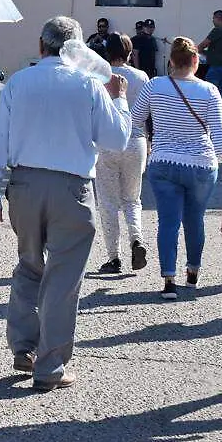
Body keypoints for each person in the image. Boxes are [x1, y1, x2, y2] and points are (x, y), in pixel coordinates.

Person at [0, 17, 131, 391]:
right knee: (63, 278)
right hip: (72, 188)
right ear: (77, 48)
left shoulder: (18, 82)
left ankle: (23, 345)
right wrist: (120, 98)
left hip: (25, 184)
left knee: (29, 264)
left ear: (41, 44)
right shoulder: (89, 85)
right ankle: (50, 367)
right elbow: (117, 138)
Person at [132, 37, 222, 300]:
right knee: (194, 220)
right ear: (195, 61)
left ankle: (168, 280)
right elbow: (220, 133)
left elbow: (134, 120)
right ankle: (193, 273)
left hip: (163, 162)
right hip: (201, 164)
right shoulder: (209, 91)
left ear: (170, 61)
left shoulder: (155, 86)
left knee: (168, 222)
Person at [95, 33, 150, 274]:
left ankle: (113, 257)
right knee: (132, 198)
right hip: (135, 139)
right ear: (129, 53)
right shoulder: (141, 77)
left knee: (107, 201)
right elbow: (149, 111)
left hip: (107, 141)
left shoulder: (98, 76)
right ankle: (136, 239)